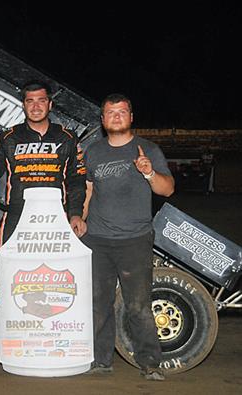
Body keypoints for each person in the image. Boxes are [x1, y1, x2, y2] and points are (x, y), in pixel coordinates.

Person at [82, 93, 175, 381]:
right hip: (97, 239)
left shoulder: (148, 149)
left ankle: (150, 363)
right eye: (111, 112)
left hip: (135, 239)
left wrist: (148, 173)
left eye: (122, 112)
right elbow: (87, 192)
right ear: (103, 119)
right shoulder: (93, 151)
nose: (117, 116)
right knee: (98, 303)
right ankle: (101, 360)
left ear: (131, 117)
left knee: (138, 306)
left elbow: (167, 189)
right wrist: (79, 222)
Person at [0, 80, 87, 244]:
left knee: (55, 269)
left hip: (56, 218)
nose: (36, 107)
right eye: (30, 101)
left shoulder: (67, 137)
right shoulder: (8, 138)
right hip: (17, 217)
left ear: (50, 105)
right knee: (11, 269)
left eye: (41, 101)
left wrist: (76, 213)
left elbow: (77, 181)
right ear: (23, 105)